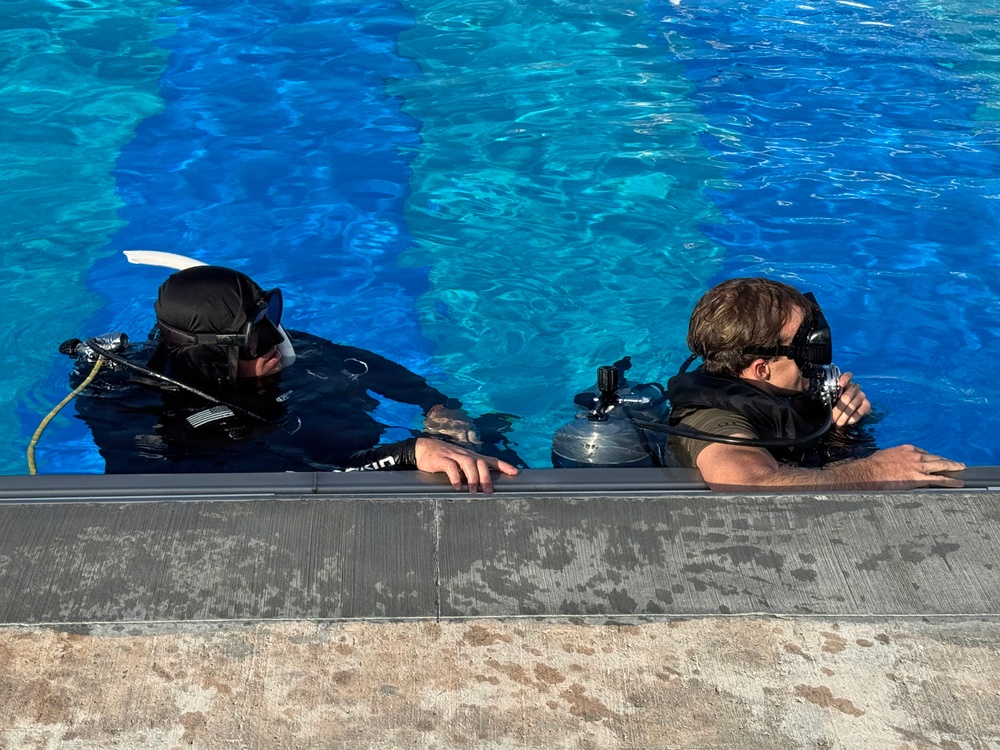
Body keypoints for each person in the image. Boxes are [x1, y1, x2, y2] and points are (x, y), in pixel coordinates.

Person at [61, 265, 519, 492]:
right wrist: (406, 453)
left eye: (271, 323)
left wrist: (436, 404)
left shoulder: (266, 344)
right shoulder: (154, 414)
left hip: (336, 442)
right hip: (287, 486)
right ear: (211, 357)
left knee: (487, 450)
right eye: (255, 340)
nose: (277, 344)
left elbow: (364, 363)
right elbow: (285, 481)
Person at [665, 277, 965, 490]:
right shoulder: (712, 423)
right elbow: (749, 483)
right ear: (761, 370)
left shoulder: (773, 390)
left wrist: (841, 426)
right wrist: (877, 471)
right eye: (804, 351)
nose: (816, 362)